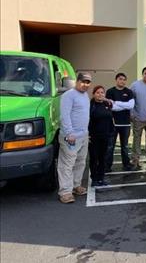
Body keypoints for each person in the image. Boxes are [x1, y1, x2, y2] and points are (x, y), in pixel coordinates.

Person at [57, 72, 92, 204]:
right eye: (83, 81)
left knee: (80, 162)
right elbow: (64, 116)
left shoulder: (85, 95)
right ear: (77, 81)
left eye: (88, 82)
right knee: (67, 164)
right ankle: (65, 191)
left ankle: (76, 185)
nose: (85, 84)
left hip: (83, 136)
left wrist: (86, 133)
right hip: (70, 136)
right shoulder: (68, 95)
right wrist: (69, 133)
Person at [105, 73, 135, 172]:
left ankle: (126, 165)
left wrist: (116, 102)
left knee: (125, 146)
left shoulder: (129, 92)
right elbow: (111, 107)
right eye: (120, 79)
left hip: (126, 124)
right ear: (116, 80)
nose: (122, 81)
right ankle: (107, 166)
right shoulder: (110, 91)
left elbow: (131, 106)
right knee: (110, 146)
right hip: (113, 124)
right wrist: (122, 105)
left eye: (124, 79)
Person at [88, 85, 114, 186]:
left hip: (106, 136)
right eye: (97, 92)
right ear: (93, 94)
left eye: (102, 92)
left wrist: (111, 132)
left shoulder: (107, 104)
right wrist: (88, 134)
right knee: (94, 158)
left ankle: (101, 178)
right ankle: (94, 179)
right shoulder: (91, 105)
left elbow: (110, 119)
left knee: (103, 158)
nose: (100, 94)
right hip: (94, 137)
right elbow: (88, 121)